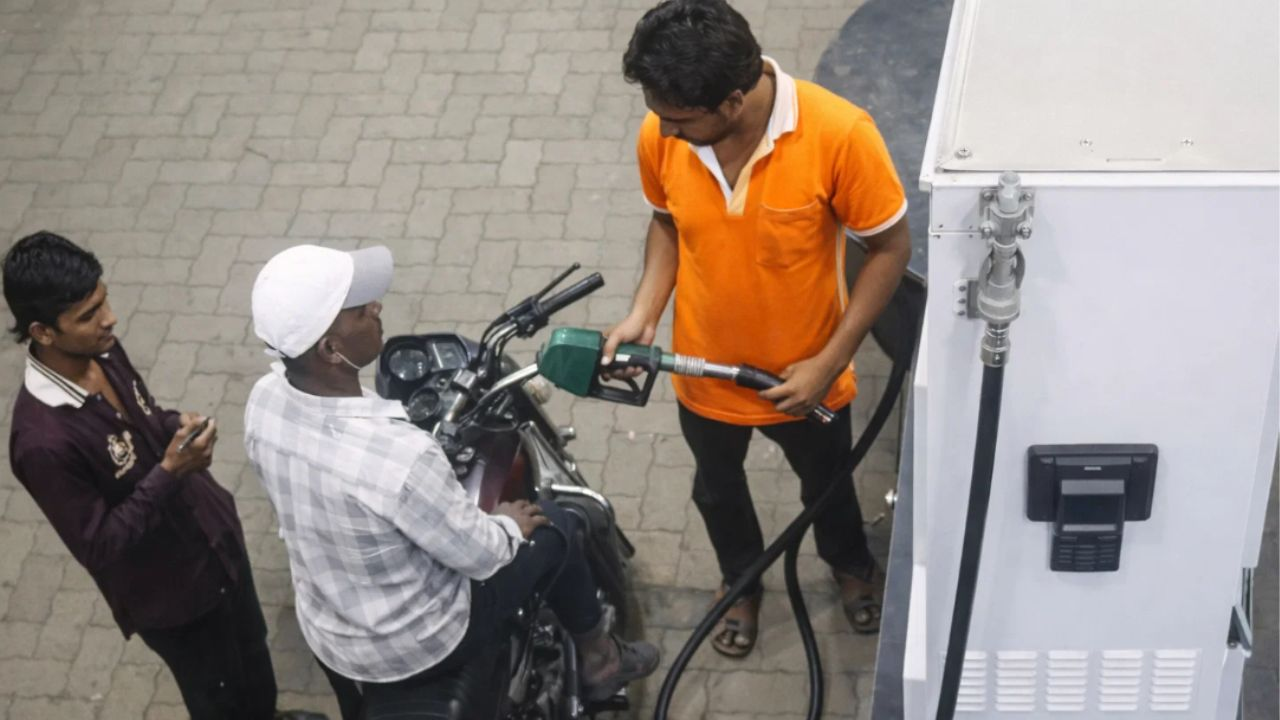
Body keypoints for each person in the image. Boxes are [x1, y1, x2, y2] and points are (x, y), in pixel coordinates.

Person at [606, 0, 912, 654]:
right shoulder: (664, 132)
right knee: (717, 490)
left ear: (734, 101)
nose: (663, 130)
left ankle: (851, 565)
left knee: (828, 486)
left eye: (679, 119)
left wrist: (830, 361)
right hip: (702, 373)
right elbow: (667, 221)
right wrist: (644, 312)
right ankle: (741, 579)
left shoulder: (840, 135)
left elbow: (890, 249)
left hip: (805, 380)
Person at [242, 244, 658, 718]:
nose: (376, 307)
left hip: (333, 631)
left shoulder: (264, 402)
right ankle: (602, 663)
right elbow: (478, 553)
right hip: (424, 642)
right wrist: (507, 524)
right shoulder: (399, 456)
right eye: (359, 311)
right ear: (330, 349)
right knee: (556, 525)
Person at [3, 232, 324, 720]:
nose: (109, 319)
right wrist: (171, 472)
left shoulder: (102, 350)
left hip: (215, 540)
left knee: (252, 653)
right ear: (42, 332)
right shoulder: (41, 442)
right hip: (176, 597)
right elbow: (99, 544)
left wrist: (175, 426)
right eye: (88, 315)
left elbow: (145, 416)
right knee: (219, 698)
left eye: (104, 300)